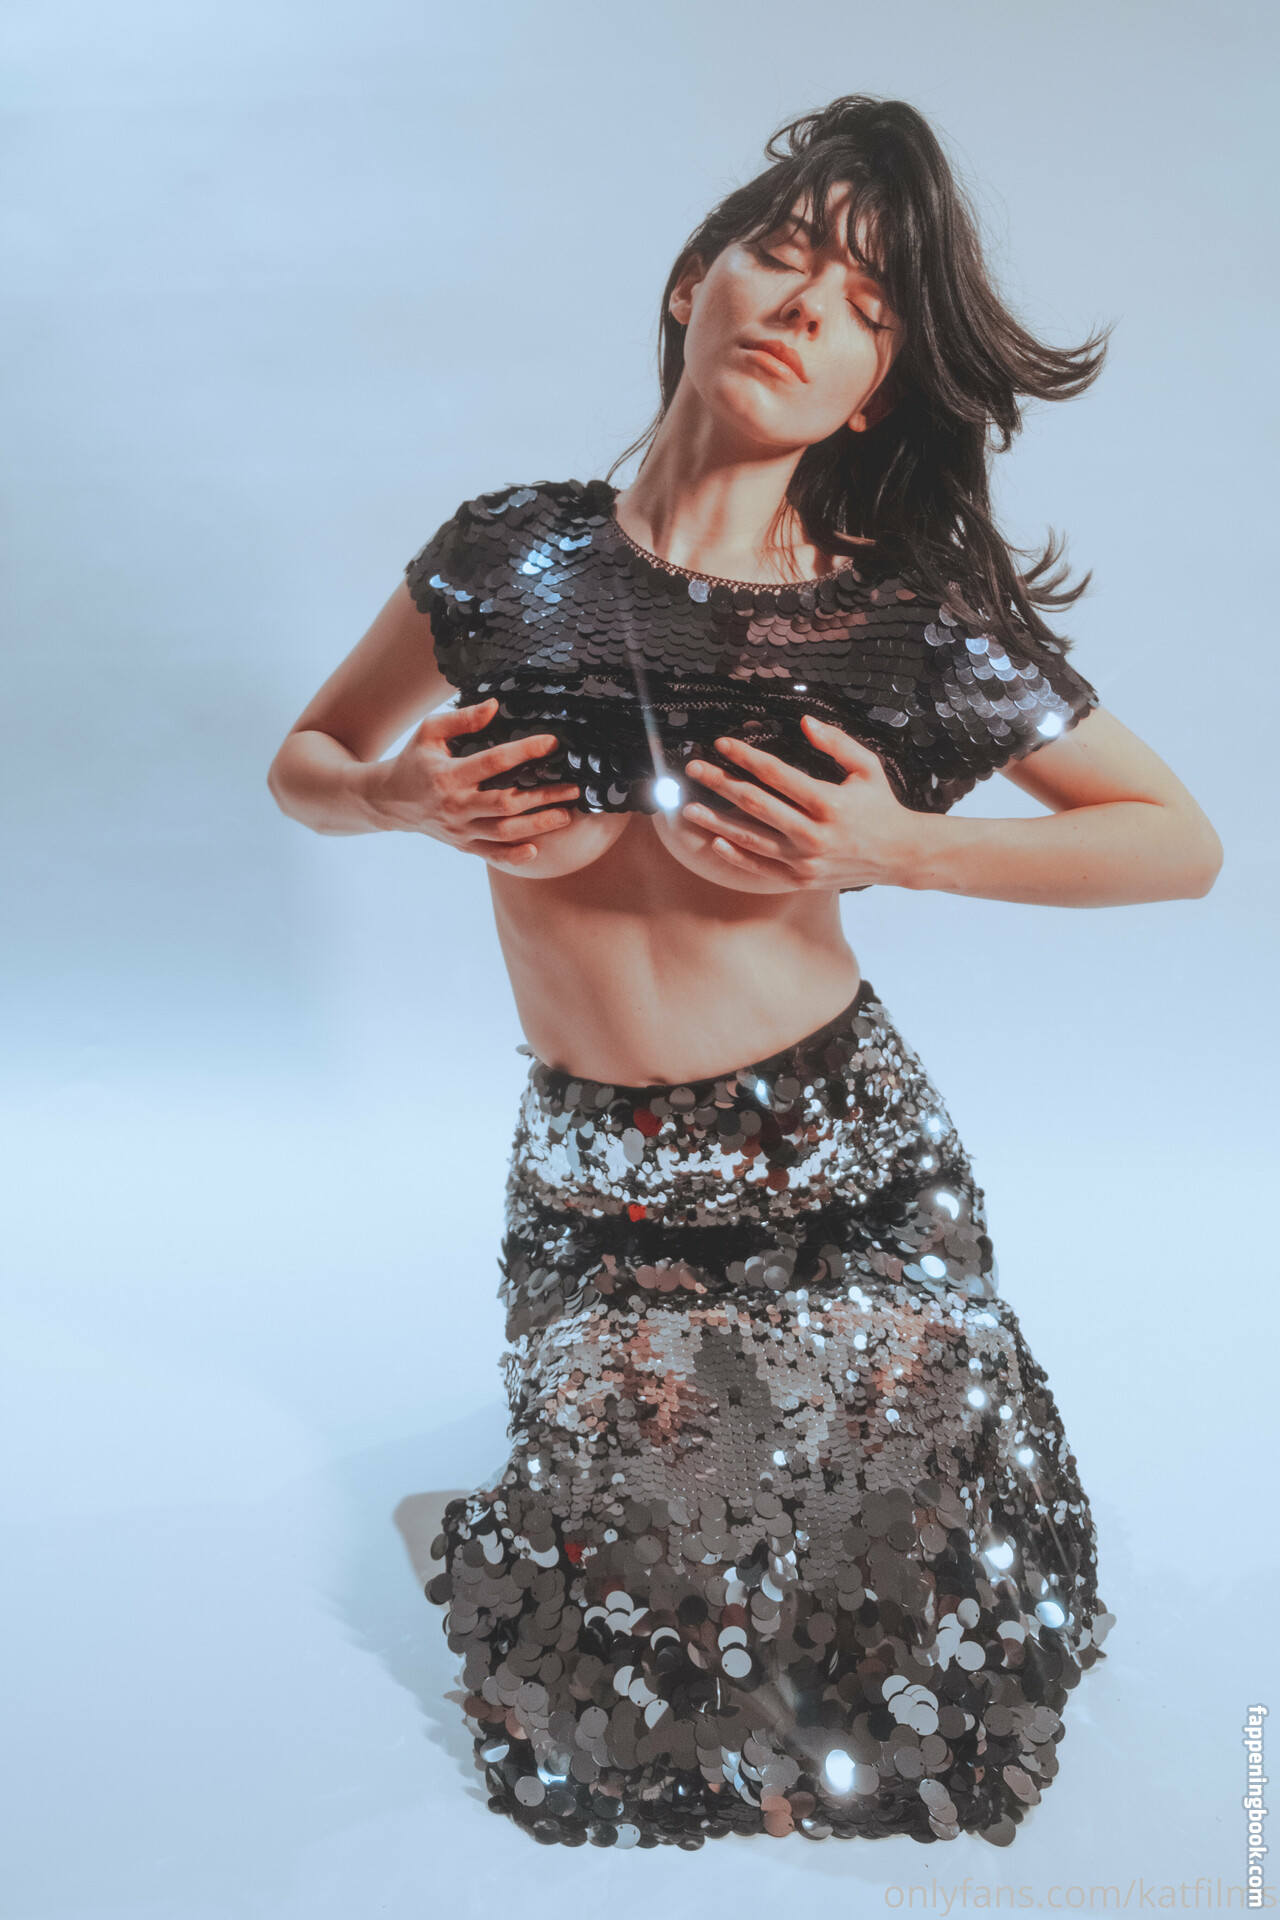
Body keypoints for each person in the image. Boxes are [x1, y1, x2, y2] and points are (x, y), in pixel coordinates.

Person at [268, 96, 1221, 1851]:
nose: (803, 306)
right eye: (782, 255)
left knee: (891, 1703)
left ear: (870, 393)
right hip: (602, 1188)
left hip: (847, 1168)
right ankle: (560, 1489)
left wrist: (902, 845)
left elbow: (1179, 841)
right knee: (636, 1718)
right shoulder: (506, 556)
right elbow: (307, 762)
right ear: (692, 283)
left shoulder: (900, 614)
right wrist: (399, 796)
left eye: (864, 305)